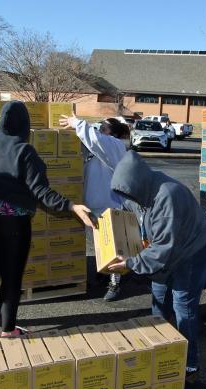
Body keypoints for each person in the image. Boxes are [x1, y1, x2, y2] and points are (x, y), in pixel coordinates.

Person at [0, 101, 94, 336]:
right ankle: (8, 330)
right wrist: (70, 206)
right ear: (24, 125)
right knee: (11, 273)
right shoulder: (24, 151)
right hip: (10, 221)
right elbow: (41, 191)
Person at [106, 151, 206, 374]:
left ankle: (188, 360)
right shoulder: (138, 192)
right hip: (170, 247)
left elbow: (162, 249)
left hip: (192, 250)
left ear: (137, 183)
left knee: (182, 304)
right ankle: (161, 346)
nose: (127, 198)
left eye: (128, 192)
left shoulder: (167, 196)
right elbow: (127, 211)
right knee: (158, 297)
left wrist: (130, 264)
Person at [59, 114, 131, 301]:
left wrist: (78, 123)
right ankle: (105, 271)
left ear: (113, 133)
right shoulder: (100, 147)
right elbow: (88, 142)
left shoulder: (115, 146)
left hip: (111, 205)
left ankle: (115, 283)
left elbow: (94, 138)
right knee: (100, 245)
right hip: (93, 205)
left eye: (104, 127)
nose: (99, 129)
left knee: (115, 246)